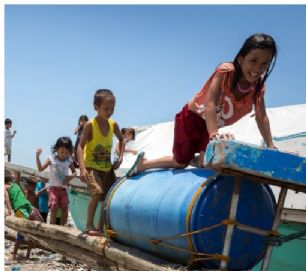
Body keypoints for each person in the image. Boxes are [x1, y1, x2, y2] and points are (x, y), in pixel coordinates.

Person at [131, 33, 278, 176]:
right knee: (180, 162)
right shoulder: (226, 71)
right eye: (253, 61)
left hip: (210, 125)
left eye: (265, 64)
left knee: (207, 163)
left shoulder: (258, 87)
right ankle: (143, 164)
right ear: (240, 59)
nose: (258, 69)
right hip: (192, 118)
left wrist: (270, 145)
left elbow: (261, 116)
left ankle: (197, 159)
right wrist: (214, 134)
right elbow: (210, 104)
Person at [76, 89, 124, 236]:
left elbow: (122, 140)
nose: (109, 111)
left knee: (108, 197)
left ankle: (100, 227)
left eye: (112, 108)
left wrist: (120, 157)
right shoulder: (90, 125)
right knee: (97, 192)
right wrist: (82, 168)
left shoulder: (113, 124)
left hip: (106, 168)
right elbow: (80, 146)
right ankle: (88, 225)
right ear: (95, 107)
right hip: (91, 167)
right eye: (106, 108)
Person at [36, 136, 76, 227]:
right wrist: (37, 156)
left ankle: (62, 227)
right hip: (53, 189)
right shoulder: (51, 159)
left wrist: (69, 178)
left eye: (66, 152)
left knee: (65, 207)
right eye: (62, 152)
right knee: (53, 207)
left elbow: (74, 173)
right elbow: (40, 169)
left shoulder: (68, 160)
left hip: (63, 189)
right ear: (56, 149)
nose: (64, 154)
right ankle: (52, 227)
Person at [5, 171, 44, 260]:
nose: (34, 188)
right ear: (28, 186)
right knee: (20, 234)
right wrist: (18, 174)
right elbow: (17, 183)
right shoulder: (24, 192)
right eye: (33, 186)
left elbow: (36, 206)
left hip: (29, 214)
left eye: (35, 187)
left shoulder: (34, 194)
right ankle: (14, 254)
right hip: (22, 213)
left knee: (30, 236)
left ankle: (27, 255)